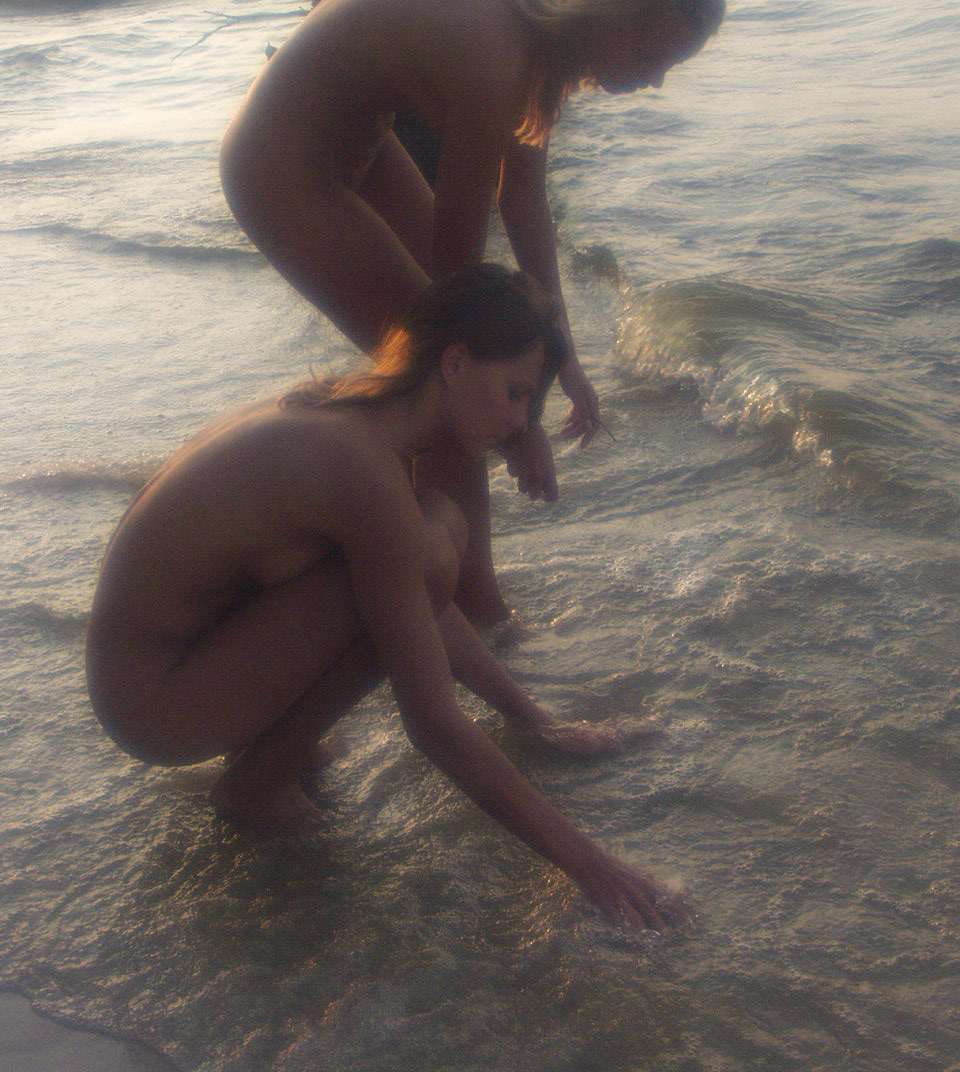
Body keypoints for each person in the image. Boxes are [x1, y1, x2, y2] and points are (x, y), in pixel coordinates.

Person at [86, 266, 680, 929]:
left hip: (152, 673)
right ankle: (257, 783)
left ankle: (268, 752)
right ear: (455, 362)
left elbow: (415, 601)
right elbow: (433, 724)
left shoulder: (354, 413)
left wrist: (531, 720)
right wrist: (591, 866)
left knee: (424, 539)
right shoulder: (363, 467)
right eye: (513, 393)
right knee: (431, 540)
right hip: (156, 705)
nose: (517, 421)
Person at [220, 0, 725, 630]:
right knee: (446, 388)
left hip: (357, 139)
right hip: (280, 159)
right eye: (651, 57)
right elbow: (458, 292)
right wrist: (519, 428)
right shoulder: (498, 57)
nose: (655, 80)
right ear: (615, 14)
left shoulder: (546, 26)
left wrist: (560, 359)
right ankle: (477, 611)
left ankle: (392, 545)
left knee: (449, 377)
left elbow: (525, 205)